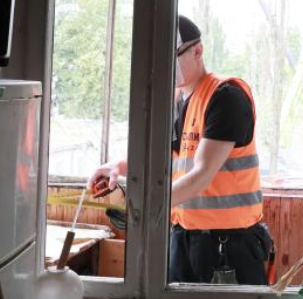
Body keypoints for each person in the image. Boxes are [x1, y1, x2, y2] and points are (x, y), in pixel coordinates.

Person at [89, 16, 273, 285]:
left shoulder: (226, 97)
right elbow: (168, 156)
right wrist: (118, 166)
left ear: (197, 51)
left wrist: (146, 204)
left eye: (172, 56)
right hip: (183, 238)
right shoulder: (176, 101)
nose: (164, 66)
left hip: (229, 248)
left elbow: (201, 175)